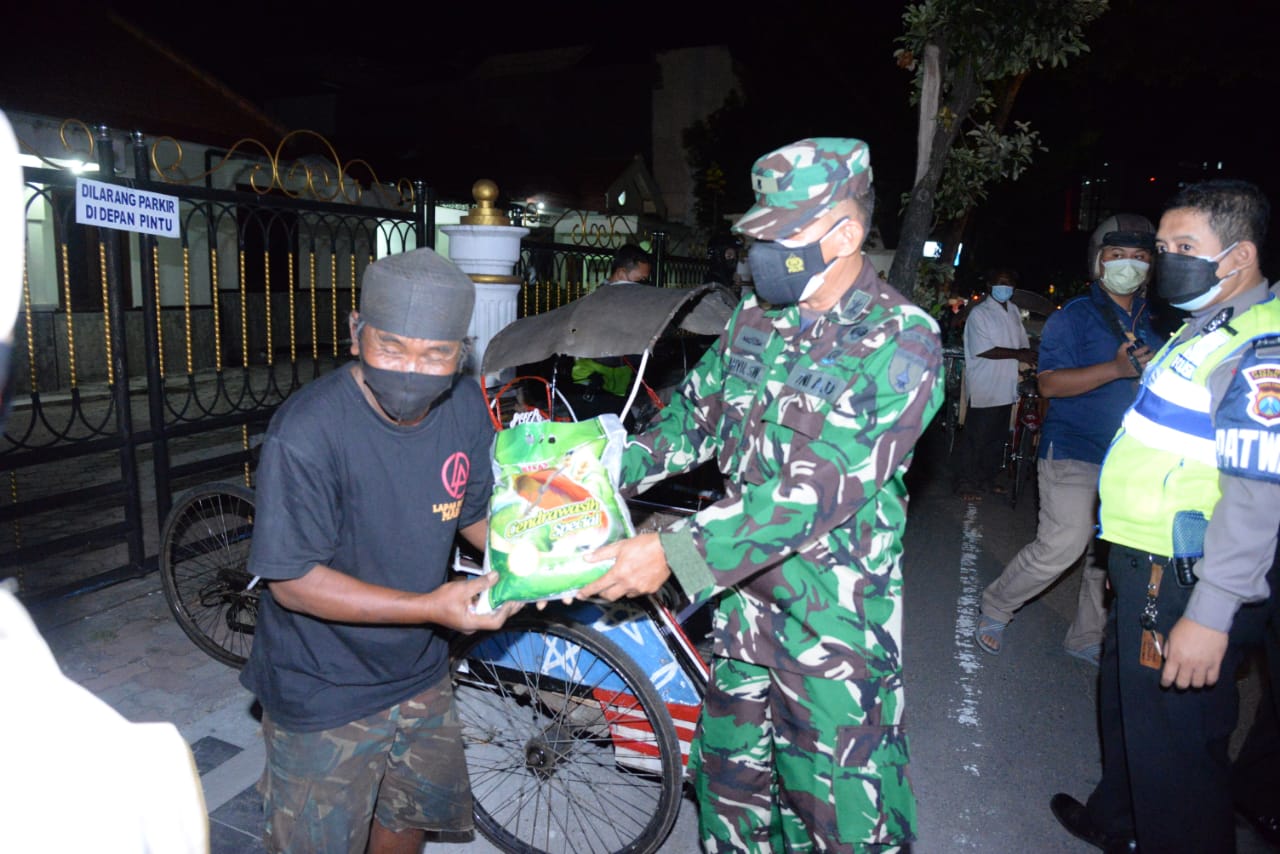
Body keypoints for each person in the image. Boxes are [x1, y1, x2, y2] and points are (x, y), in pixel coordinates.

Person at [579, 137, 944, 851]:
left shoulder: (901, 340)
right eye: (759, 235)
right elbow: (694, 416)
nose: (763, 252)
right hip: (744, 620)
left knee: (843, 827)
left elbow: (810, 492)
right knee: (732, 809)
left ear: (846, 232)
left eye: (785, 233)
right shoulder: (757, 318)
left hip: (831, 638)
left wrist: (672, 554)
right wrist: (593, 475)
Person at [238, 247, 521, 854]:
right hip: (322, 685)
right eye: (391, 348)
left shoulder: (466, 404)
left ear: (460, 353)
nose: (413, 371)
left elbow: (471, 510)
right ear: (355, 333)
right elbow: (293, 581)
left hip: (419, 670)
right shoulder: (307, 432)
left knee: (406, 818)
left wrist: (531, 561)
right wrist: (431, 608)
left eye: (435, 354)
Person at [1050, 179, 1280, 853]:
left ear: (1237, 256)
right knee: (1133, 711)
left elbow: (1258, 489)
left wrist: (1212, 613)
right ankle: (1116, 820)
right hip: (1145, 556)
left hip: (1183, 572)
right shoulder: (1209, 324)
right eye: (1163, 245)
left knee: (1177, 750)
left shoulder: (1262, 346)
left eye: (1185, 246)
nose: (1165, 258)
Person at [976, 215, 1160, 664]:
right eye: (1118, 256)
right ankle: (997, 603)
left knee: (1109, 553)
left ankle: (1085, 635)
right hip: (1074, 448)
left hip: (1132, 457)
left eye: (1140, 257)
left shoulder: (1161, 321)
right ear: (1098, 262)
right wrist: (1116, 369)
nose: (1129, 265)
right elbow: (1050, 385)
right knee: (1066, 542)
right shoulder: (1074, 317)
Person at [955, 269, 1037, 500]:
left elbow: (1023, 344)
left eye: (1009, 282)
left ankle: (986, 479)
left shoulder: (1012, 311)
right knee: (976, 438)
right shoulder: (980, 314)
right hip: (986, 385)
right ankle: (966, 483)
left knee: (996, 438)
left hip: (1006, 385)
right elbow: (984, 350)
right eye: (1001, 282)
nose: (1005, 287)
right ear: (991, 285)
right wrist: (1020, 354)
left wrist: (1029, 353)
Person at [571, 243, 654, 396]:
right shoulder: (597, 301)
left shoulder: (633, 302)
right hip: (592, 375)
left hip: (620, 375)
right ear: (622, 273)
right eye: (640, 280)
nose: (643, 286)